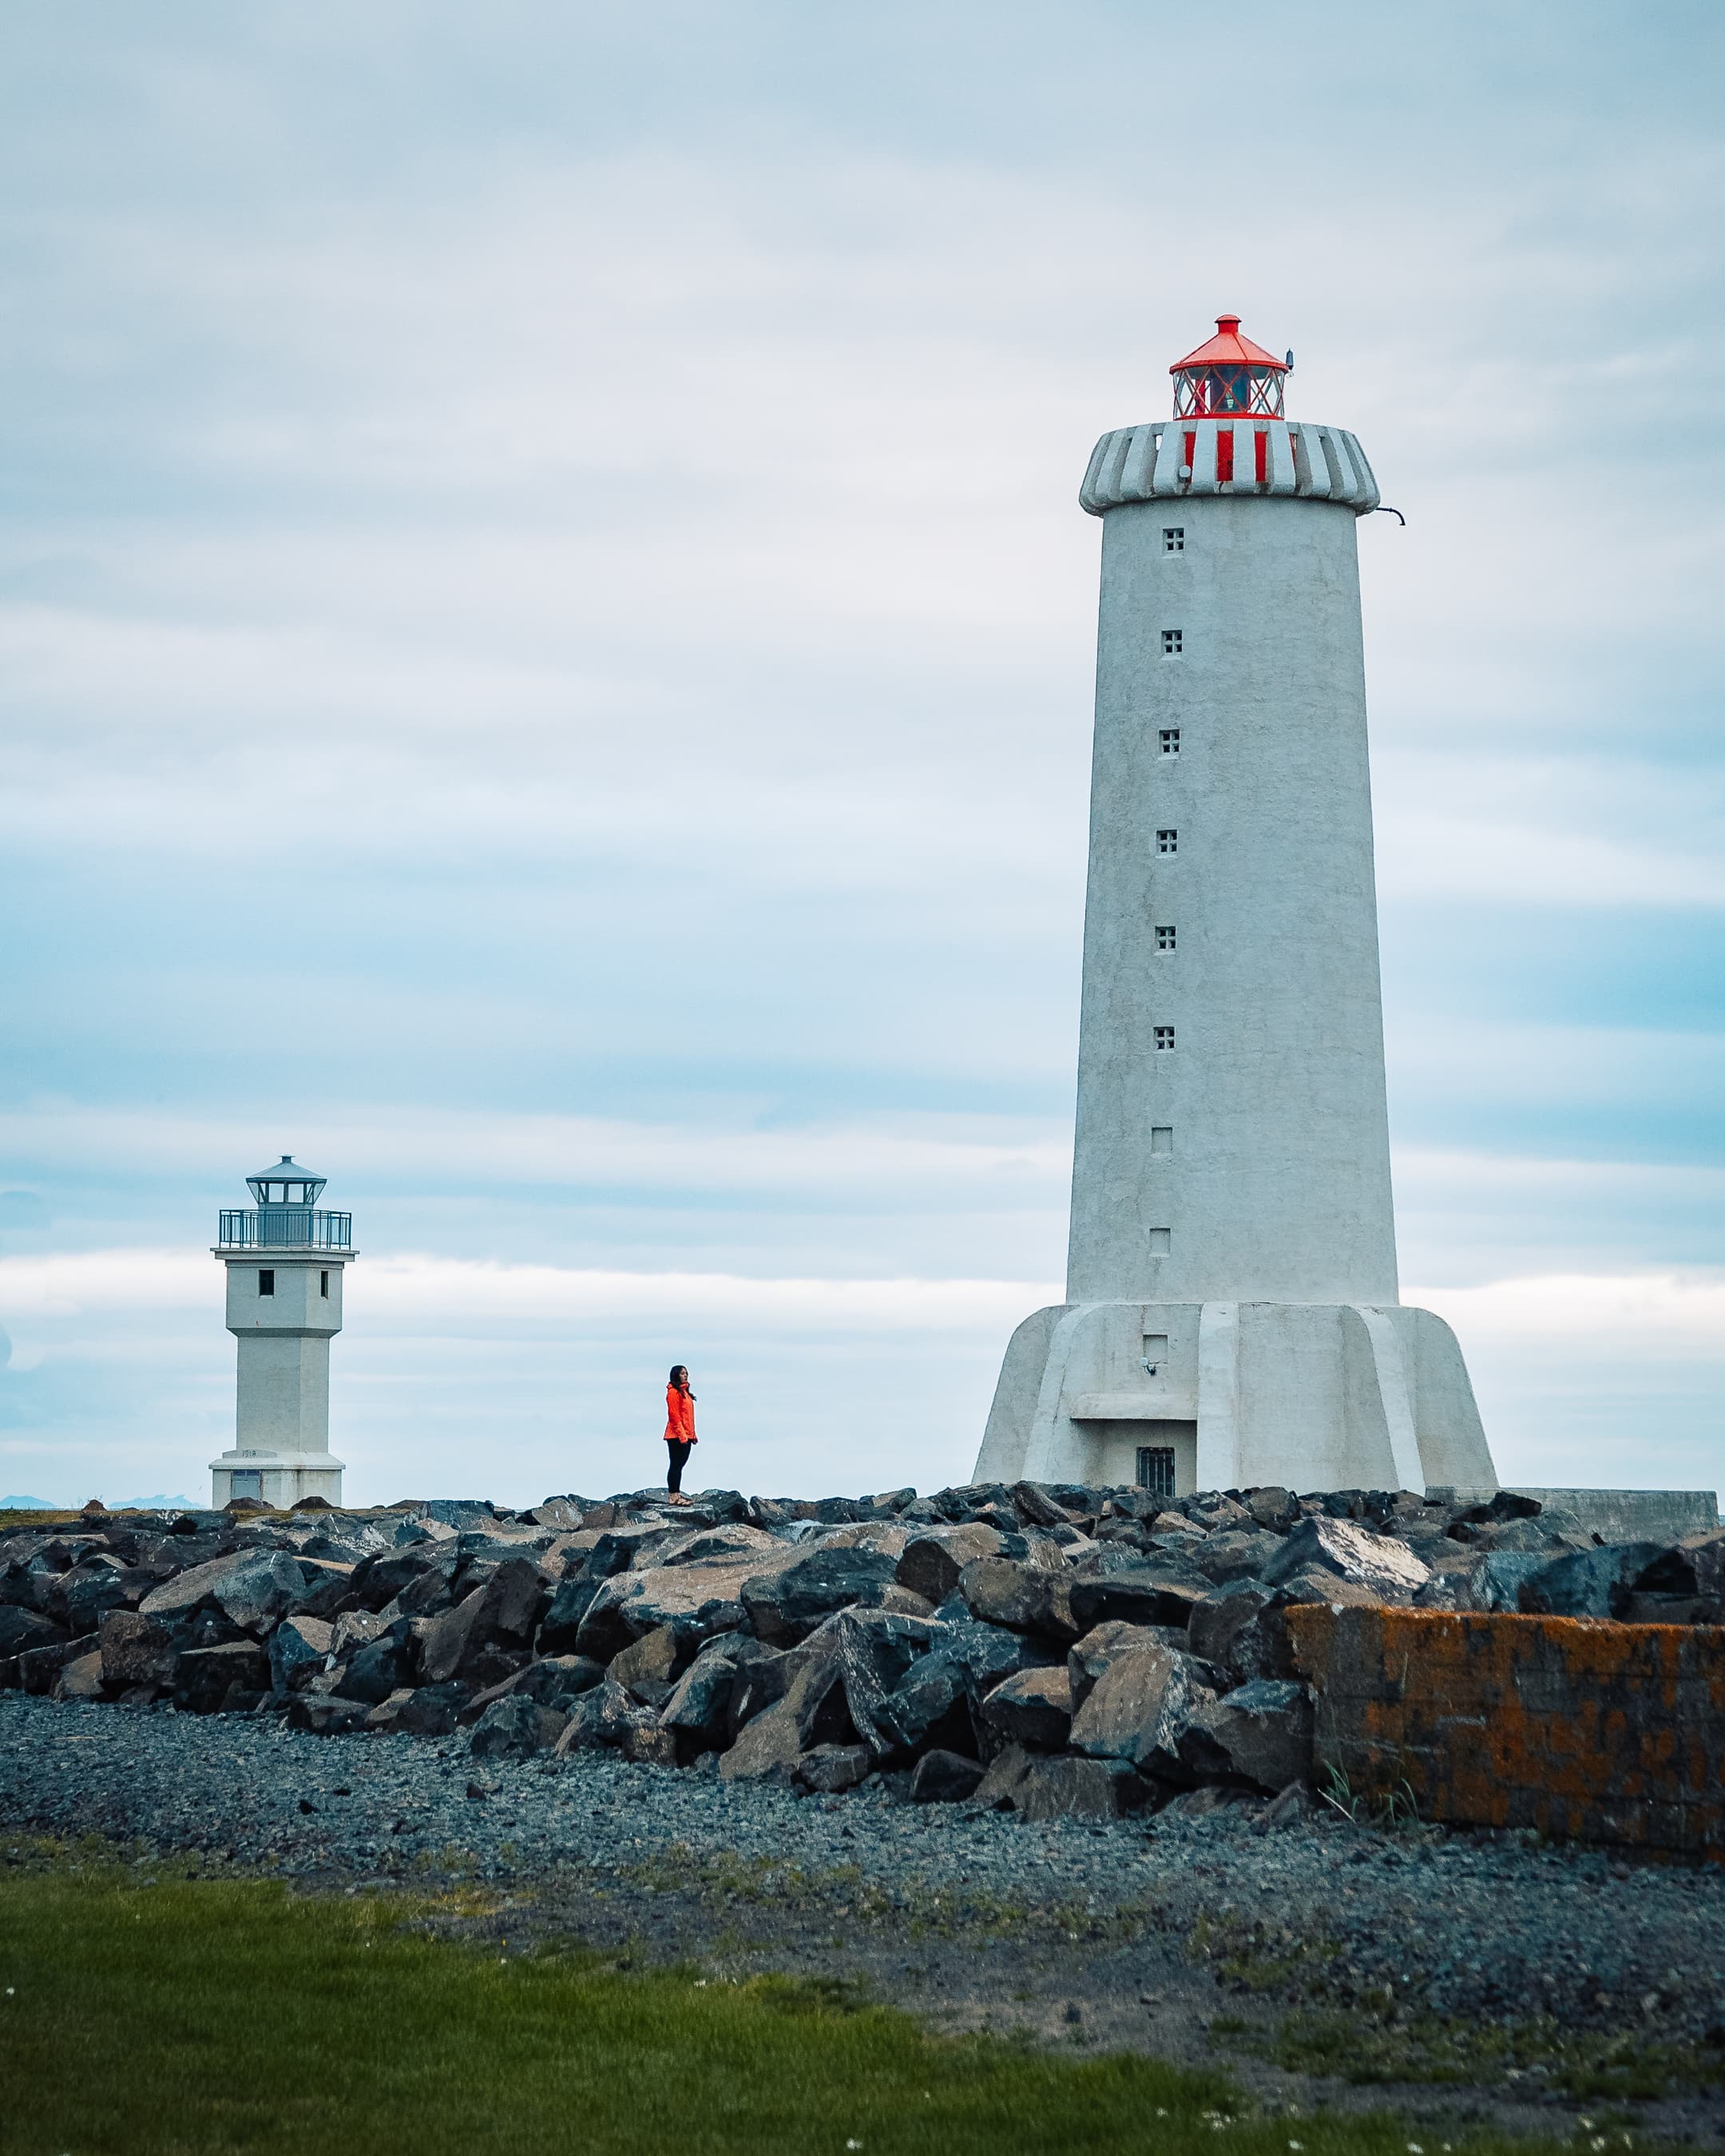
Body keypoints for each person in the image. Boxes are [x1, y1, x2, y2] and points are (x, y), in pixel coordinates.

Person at [663, 1363, 697, 1505]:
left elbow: (688, 1417)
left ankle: (677, 1494)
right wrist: (682, 1435)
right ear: (676, 1375)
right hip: (676, 1435)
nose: (685, 1375)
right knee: (676, 1465)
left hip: (686, 1435)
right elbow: (674, 1416)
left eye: (686, 1373)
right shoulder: (673, 1393)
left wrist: (692, 1435)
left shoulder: (685, 1393)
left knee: (680, 1465)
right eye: (683, 1373)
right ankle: (673, 1496)